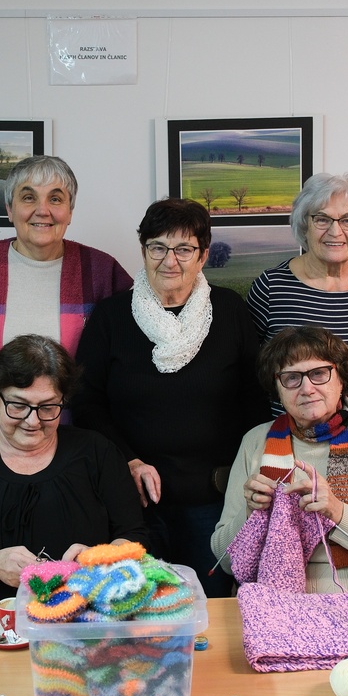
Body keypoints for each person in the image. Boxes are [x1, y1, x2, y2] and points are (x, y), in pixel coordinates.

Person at [74, 198, 267, 598]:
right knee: (136, 606)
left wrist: (246, 476)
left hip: (213, 499)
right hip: (132, 502)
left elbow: (255, 399)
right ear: (143, 250)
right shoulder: (111, 317)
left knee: (209, 608)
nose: (170, 260)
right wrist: (128, 460)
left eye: (183, 249)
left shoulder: (229, 311)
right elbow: (87, 403)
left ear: (203, 256)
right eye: (158, 247)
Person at [0, 335, 149, 606]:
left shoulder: (97, 453)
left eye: (48, 407)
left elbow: (134, 538)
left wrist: (98, 559)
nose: (32, 421)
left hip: (78, 618)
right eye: (18, 405)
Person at [212, 326, 348, 593]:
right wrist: (250, 514)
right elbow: (225, 561)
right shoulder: (255, 442)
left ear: (341, 379)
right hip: (280, 598)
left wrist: (337, 513)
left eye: (318, 373)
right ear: (277, 388)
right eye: (291, 378)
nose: (307, 388)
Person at [0, 155, 133, 425]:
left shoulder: (101, 272)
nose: (42, 210)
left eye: (55, 199)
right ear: (10, 209)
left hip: (76, 435)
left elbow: (120, 373)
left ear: (70, 211)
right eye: (28, 197)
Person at [248, 173, 348, 419]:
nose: (335, 231)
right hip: (292, 438)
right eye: (322, 219)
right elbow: (250, 373)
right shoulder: (272, 287)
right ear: (304, 224)